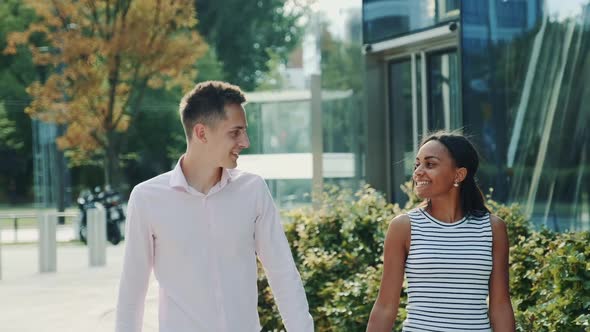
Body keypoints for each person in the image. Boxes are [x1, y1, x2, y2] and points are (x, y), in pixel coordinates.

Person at [115, 81, 314, 332]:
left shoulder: (253, 191)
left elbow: (283, 274)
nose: (246, 141)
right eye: (235, 132)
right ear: (201, 133)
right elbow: (132, 291)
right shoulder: (147, 198)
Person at [366, 131, 515, 332]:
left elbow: (500, 307)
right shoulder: (404, 227)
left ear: (459, 174)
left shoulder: (493, 228)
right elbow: (385, 307)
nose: (418, 171)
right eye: (417, 164)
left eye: (430, 164)